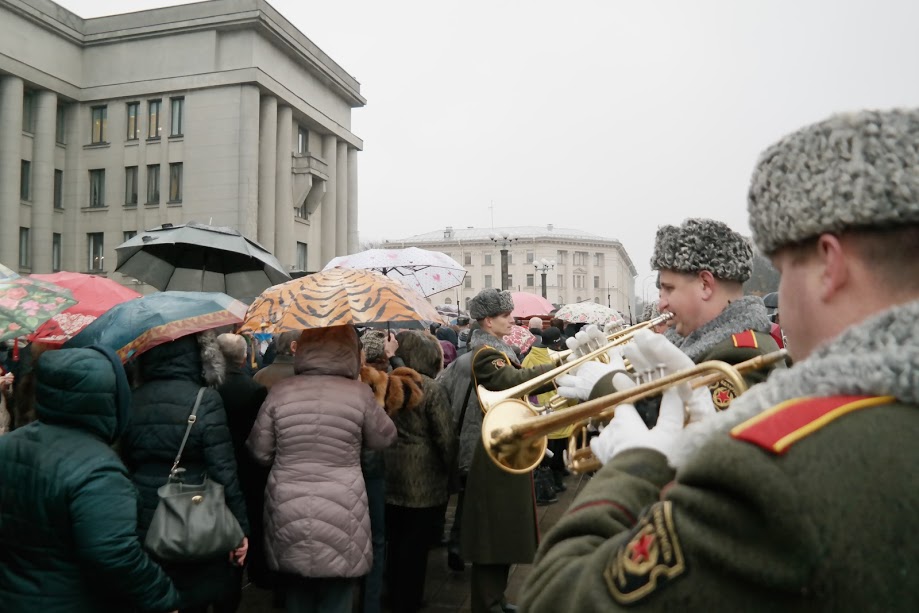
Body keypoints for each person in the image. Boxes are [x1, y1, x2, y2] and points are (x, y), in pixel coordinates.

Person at [521, 108, 919, 611]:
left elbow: (557, 598)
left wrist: (630, 461)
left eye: (786, 267)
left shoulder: (772, 469)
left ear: (829, 266)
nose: (661, 301)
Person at [0, 346, 181, 612]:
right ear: (109, 398)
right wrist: (162, 596)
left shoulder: (8, 445)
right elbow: (113, 554)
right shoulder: (99, 469)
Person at [560, 217, 782, 412]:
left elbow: (692, 439)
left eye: (668, 289)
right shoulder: (693, 343)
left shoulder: (742, 353)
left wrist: (609, 387)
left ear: (705, 285)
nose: (661, 303)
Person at [247, 326, 397, 613]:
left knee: (295, 592)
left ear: (303, 349)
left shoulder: (280, 391)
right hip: (344, 505)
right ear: (349, 352)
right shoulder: (359, 393)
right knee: (337, 594)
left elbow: (259, 451)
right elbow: (385, 438)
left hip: (288, 505)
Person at [440, 288, 557, 613]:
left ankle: (496, 599)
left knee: (502, 532)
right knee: (494, 534)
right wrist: (560, 370)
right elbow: (514, 381)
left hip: (499, 449)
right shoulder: (486, 354)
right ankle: (487, 602)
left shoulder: (494, 349)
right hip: (491, 454)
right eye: (506, 315)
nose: (512, 320)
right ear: (488, 320)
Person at [122, 332, 250, 613]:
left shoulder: (133, 398)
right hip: (195, 511)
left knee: (158, 590)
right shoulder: (205, 399)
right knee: (196, 592)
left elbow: (127, 457)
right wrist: (240, 527)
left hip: (145, 510)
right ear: (199, 357)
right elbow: (223, 468)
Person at [384, 331, 457, 613]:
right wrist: (449, 469)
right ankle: (408, 600)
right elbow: (445, 437)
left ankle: (391, 593)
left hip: (389, 470)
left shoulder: (387, 382)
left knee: (395, 541)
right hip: (423, 479)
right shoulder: (431, 388)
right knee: (415, 547)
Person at [216, 334, 271, 592]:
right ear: (241, 357)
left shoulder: (209, 387)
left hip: (218, 463)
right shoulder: (255, 389)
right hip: (248, 464)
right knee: (250, 515)